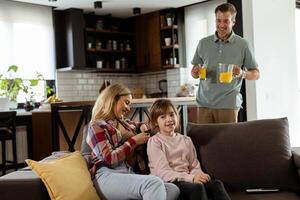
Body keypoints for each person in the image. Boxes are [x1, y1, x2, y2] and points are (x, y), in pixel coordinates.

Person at [86, 84, 179, 200]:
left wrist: (142, 127)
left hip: (126, 172)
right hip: (107, 175)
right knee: (154, 183)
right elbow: (109, 159)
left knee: (172, 189)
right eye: (126, 102)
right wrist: (134, 141)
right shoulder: (97, 125)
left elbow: (139, 125)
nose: (128, 108)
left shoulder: (123, 122)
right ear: (113, 99)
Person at [147, 99, 231, 200]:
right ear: (155, 122)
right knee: (197, 188)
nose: (169, 119)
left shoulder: (186, 140)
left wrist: (198, 175)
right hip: (169, 182)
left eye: (171, 115)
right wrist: (191, 178)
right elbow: (163, 173)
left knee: (216, 184)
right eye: (163, 117)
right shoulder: (155, 142)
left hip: (188, 179)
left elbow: (194, 165)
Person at [191, 2, 260, 123]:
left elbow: (256, 74)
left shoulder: (243, 44)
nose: (221, 25)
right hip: (204, 104)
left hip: (228, 105)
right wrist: (195, 72)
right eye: (218, 21)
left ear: (233, 22)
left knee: (227, 141)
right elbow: (194, 71)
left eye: (226, 21)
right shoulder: (203, 43)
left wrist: (242, 73)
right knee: (204, 141)